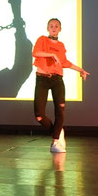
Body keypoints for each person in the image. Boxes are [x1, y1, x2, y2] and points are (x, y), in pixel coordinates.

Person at [33, 18, 89, 153]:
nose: (54, 28)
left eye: (56, 26)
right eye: (51, 26)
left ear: (60, 29)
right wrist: (51, 54)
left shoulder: (61, 45)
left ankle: (55, 141)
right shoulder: (42, 40)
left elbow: (64, 62)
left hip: (57, 80)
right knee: (39, 116)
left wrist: (80, 70)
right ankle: (58, 132)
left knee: (60, 111)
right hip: (42, 79)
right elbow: (35, 53)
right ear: (47, 28)